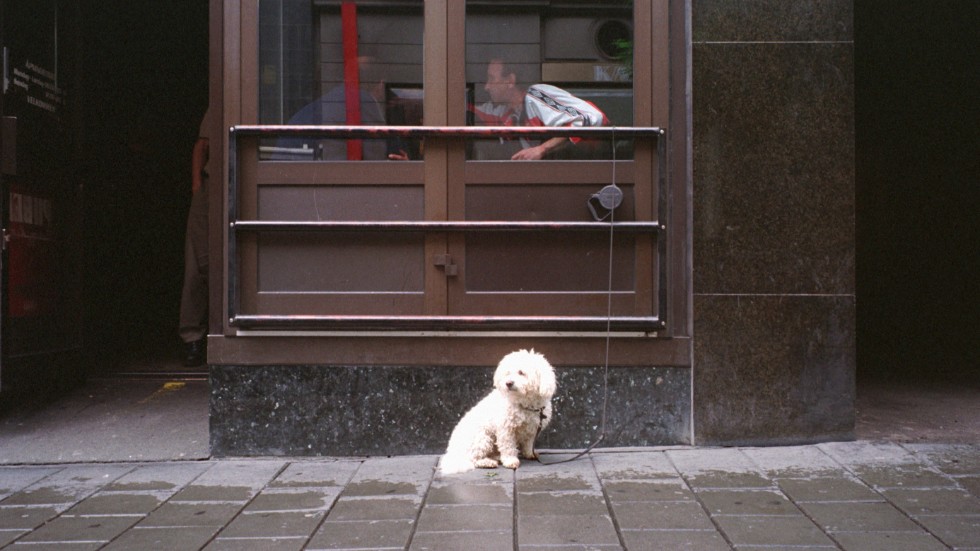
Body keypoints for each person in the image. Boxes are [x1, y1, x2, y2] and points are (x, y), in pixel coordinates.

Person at [472, 59, 610, 160]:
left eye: (491, 79)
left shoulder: (536, 96)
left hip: (587, 172)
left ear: (510, 81)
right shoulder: (502, 111)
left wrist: (542, 149)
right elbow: (469, 110)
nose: (487, 87)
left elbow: (592, 117)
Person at [179, 108, 213, 367]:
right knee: (198, 263)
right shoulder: (220, 102)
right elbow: (201, 146)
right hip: (211, 185)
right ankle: (192, 338)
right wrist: (197, 185)